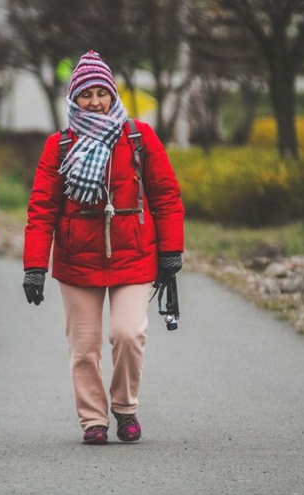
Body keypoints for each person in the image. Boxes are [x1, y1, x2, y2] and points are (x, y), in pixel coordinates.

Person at [22, 50, 184, 445]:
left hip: (134, 254)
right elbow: (41, 209)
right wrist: (34, 266)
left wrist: (171, 250)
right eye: (85, 94)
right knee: (84, 346)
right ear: (73, 99)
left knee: (128, 334)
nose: (94, 101)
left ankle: (125, 407)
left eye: (101, 93)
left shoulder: (138, 137)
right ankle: (93, 419)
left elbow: (165, 195)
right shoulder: (59, 145)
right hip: (77, 259)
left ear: (112, 95)